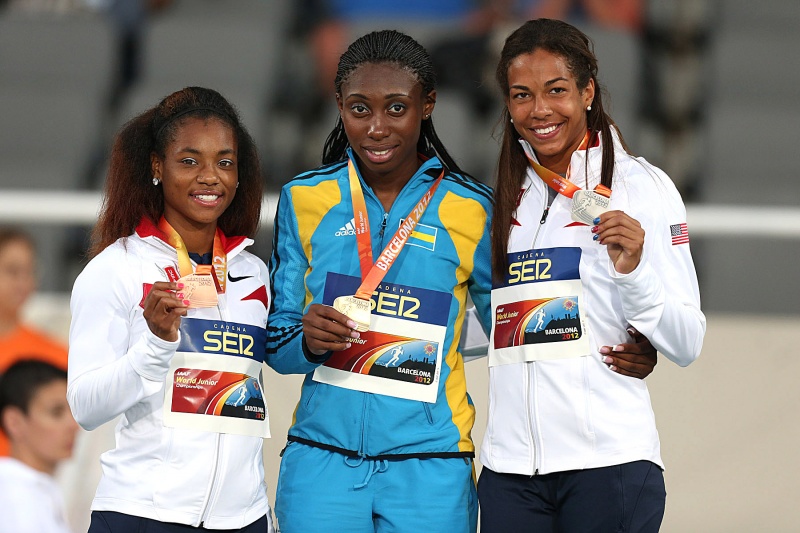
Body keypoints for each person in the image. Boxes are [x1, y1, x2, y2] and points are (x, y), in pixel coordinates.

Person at [477, 19, 706, 532]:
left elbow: (687, 341)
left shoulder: (641, 187)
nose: (539, 110)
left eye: (556, 90)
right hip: (509, 471)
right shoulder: (506, 194)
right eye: (522, 95)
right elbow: (493, 323)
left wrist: (635, 273)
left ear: (587, 92)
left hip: (608, 464)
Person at [265, 29, 493, 533]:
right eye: (359, 109)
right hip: (321, 460)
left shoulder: (472, 207)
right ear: (339, 106)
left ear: (427, 105)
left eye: (396, 108)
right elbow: (277, 343)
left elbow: (508, 329)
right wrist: (306, 340)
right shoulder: (304, 199)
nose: (376, 128)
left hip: (432, 465)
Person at [67, 86, 274, 532]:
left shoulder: (253, 272)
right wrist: (154, 347)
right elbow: (85, 406)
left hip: (244, 517)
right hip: (145, 513)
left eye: (225, 162)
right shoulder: (116, 269)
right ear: (157, 167)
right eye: (190, 161)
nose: (210, 177)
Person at [0, 227, 69, 456]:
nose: (23, 282)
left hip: (29, 474)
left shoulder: (55, 356)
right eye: (12, 271)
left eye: (30, 271)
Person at [0, 359, 79, 533]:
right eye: (56, 413)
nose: (74, 425)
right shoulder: (13, 495)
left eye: (73, 411)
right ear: (14, 422)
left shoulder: (37, 488)